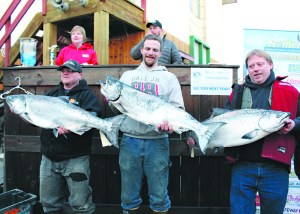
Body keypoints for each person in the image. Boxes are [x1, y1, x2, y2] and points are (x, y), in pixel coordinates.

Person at [223, 49, 300, 214]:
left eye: (260, 64)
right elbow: (224, 121)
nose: (255, 69)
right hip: (242, 166)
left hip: (275, 169)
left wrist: (294, 124)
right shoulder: (237, 92)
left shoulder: (290, 91)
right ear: (247, 70)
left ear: (270, 65)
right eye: (251, 66)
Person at [115, 34, 184, 214]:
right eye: (147, 49)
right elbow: (118, 107)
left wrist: (171, 125)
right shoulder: (128, 76)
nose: (150, 53)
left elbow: (178, 108)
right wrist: (111, 100)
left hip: (158, 142)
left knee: (159, 196)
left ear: (160, 52)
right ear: (141, 50)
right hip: (130, 140)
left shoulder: (169, 78)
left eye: (155, 50)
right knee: (128, 196)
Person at [39, 59, 101, 214]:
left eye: (70, 70)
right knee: (48, 203)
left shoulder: (88, 96)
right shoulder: (51, 95)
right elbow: (37, 119)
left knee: (81, 205)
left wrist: (72, 127)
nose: (65, 73)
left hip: (76, 159)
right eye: (63, 70)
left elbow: (93, 117)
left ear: (80, 74)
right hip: (49, 158)